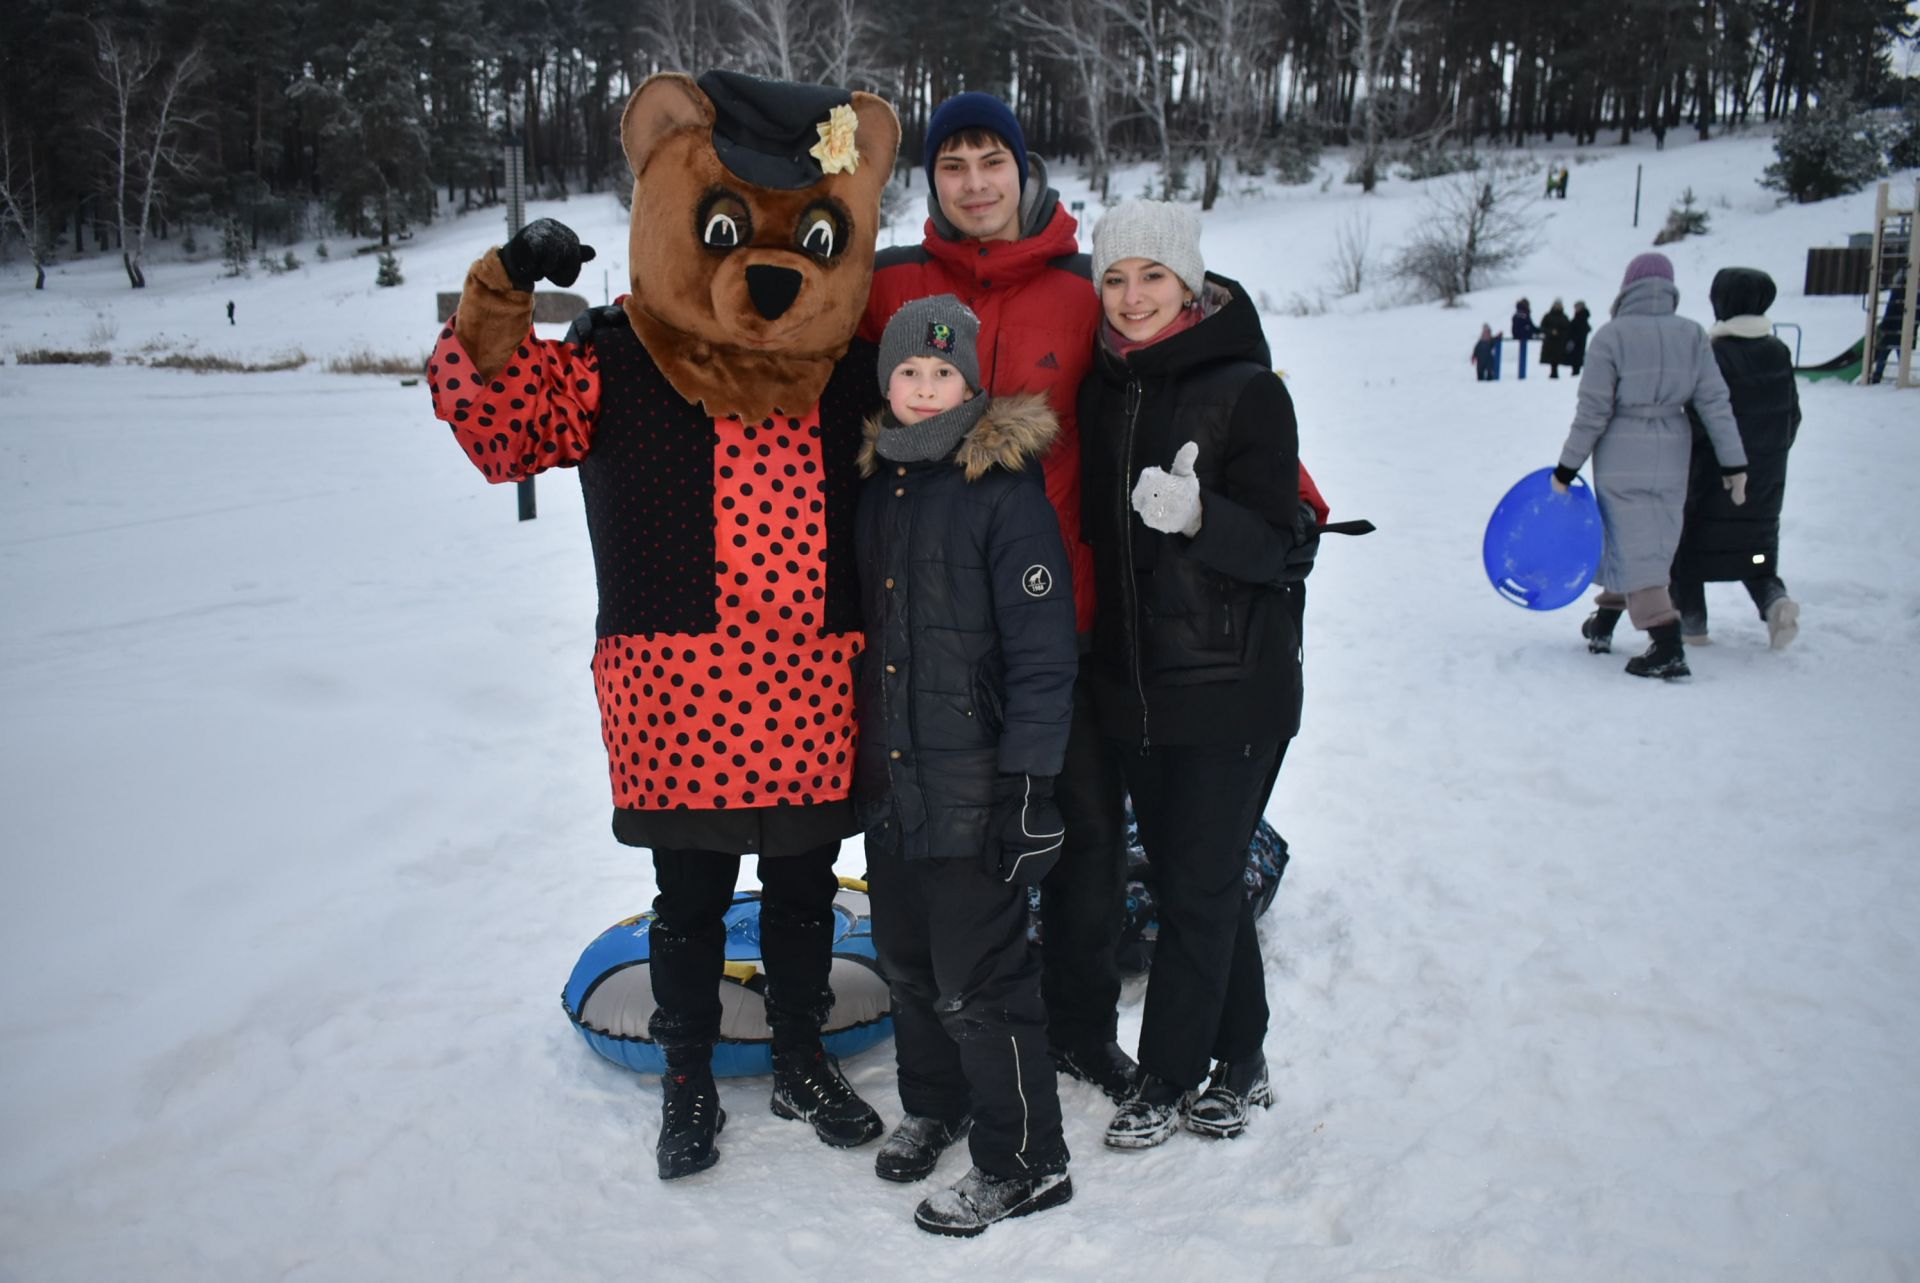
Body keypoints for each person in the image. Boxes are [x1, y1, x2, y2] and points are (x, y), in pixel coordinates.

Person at [425, 70, 901, 1181]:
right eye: (728, 230)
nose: (770, 271)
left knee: (799, 888)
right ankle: (689, 1069)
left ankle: (796, 1050)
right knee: (687, 899)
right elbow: (497, 425)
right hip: (678, 689)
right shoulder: (616, 357)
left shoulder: (850, 377)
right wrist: (501, 289)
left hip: (811, 684)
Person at [861, 94, 1136, 1103]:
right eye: (953, 165)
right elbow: (786, 331)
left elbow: (1162, 373)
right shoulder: (888, 281)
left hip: (1059, 622)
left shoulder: (1079, 286)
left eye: (992, 160)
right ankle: (955, 1044)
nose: (975, 181)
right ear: (928, 180)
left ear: (1024, 169)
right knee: (949, 851)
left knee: (1087, 836)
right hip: (930, 634)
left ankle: (1080, 1027)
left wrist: (1288, 489)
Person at [1078, 200, 1315, 1149]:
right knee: (1195, 883)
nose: (1134, 298)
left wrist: (1199, 517)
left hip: (1234, 686)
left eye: (1153, 277)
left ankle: (1168, 1077)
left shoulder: (1249, 389)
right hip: (1136, 689)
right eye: (1116, 278)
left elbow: (1282, 547)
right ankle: (1245, 1055)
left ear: (1189, 283)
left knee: (1200, 884)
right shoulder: (1101, 391)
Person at [855, 294, 1079, 1236]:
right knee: (906, 963)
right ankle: (934, 1102)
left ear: (972, 382)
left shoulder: (1005, 493)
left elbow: (1042, 651)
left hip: (979, 786)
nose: (923, 388)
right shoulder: (878, 487)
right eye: (909, 372)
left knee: (982, 980)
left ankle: (1027, 1158)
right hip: (895, 781)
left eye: (942, 373)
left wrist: (1031, 786)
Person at [1553, 252, 1748, 679]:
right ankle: (1604, 621)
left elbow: (1592, 411)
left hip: (1623, 448)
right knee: (1647, 539)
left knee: (1629, 536)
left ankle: (1665, 641)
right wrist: (1734, 462)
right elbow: (1716, 403)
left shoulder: (1611, 336)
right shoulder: (1693, 335)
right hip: (1674, 445)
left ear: (1629, 288)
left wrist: (1566, 469)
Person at [1671, 268, 1802, 649]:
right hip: (1766, 479)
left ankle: (1692, 626)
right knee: (1755, 553)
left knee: (1691, 550)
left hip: (1711, 477)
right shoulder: (1778, 351)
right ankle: (1775, 603)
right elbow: (1793, 416)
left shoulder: (1712, 354)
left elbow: (1696, 419)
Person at [1870, 268, 1908, 385]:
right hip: (1899, 327)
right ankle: (1903, 375)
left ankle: (1878, 375)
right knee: (1898, 352)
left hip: (1892, 327)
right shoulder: (1905, 294)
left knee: (1885, 353)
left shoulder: (1897, 292)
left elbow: (1890, 310)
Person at [1540, 299, 1572, 378]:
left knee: (1558, 357)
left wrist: (1561, 333)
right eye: (1556, 305)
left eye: (1559, 305)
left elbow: (1568, 328)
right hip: (1550, 341)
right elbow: (1543, 327)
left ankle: (1555, 372)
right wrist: (1551, 331)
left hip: (1560, 341)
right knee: (1551, 357)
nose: (1558, 307)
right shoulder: (1548, 316)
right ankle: (1553, 372)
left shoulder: (1564, 317)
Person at [1510, 298, 1537, 377]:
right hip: (1524, 334)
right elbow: (1531, 326)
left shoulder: (1516, 313)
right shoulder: (1525, 314)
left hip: (1516, 334)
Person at [1568, 300, 1593, 375]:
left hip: (1578, 341)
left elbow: (1581, 328)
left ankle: (1576, 372)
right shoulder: (1580, 316)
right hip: (1577, 341)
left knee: (1577, 357)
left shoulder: (1581, 317)